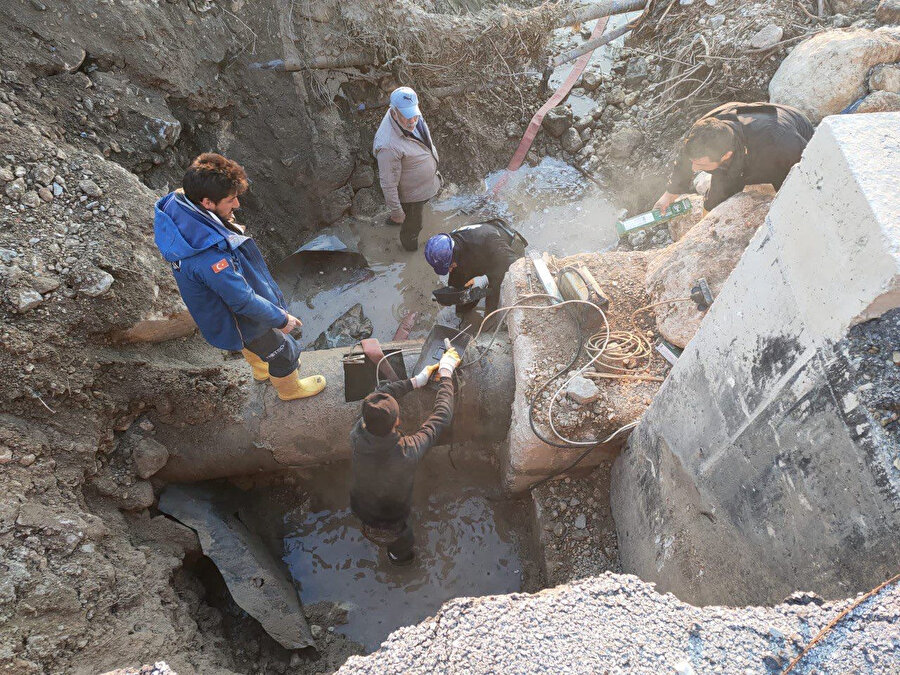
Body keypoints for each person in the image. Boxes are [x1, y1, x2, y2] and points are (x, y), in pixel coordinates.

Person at [154, 153, 326, 401]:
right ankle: (290, 390)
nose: (236, 206)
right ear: (207, 203)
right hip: (237, 314)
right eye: (230, 200)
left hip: (220, 310)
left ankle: (261, 370)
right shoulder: (210, 258)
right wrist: (280, 319)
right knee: (284, 351)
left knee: (251, 342)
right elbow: (242, 301)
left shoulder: (179, 202)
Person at [349, 347, 461, 565]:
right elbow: (441, 417)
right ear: (397, 422)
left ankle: (390, 552)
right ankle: (401, 560)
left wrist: (416, 381)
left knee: (378, 529)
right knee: (401, 544)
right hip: (391, 523)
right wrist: (446, 374)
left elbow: (380, 396)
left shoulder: (357, 434)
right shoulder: (406, 452)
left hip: (363, 510)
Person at [654, 102, 814, 214]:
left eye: (701, 164)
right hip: (748, 136)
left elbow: (808, 171)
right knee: (718, 198)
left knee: (788, 201)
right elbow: (686, 158)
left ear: (726, 155)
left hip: (790, 135)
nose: (695, 168)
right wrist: (670, 195)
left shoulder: (780, 144)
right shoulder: (704, 132)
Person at [373, 86, 442, 252]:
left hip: (422, 184)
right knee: (413, 225)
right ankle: (409, 250)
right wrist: (397, 211)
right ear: (394, 112)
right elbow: (388, 183)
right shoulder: (388, 146)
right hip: (412, 196)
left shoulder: (410, 114)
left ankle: (395, 219)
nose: (412, 121)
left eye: (414, 114)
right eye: (406, 116)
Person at [424, 219, 527, 314]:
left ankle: (491, 318)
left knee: (496, 288)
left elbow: (516, 265)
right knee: (461, 282)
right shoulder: (450, 244)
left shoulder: (488, 240)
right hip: (479, 251)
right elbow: (458, 276)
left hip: (509, 251)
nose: (449, 270)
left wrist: (486, 278)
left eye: (449, 266)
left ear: (454, 254)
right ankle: (463, 312)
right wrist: (453, 295)